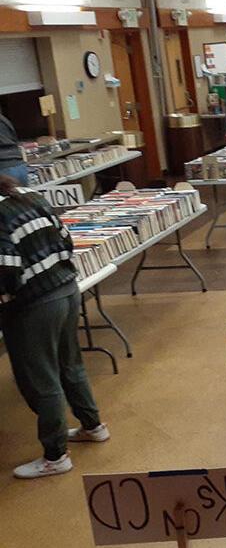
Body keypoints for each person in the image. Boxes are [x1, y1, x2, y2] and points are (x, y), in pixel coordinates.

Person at [1, 178, 109, 478]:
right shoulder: (29, 196)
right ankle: (93, 425)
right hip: (66, 288)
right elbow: (66, 240)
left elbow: (6, 269)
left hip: (33, 304)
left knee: (41, 379)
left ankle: (55, 456)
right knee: (70, 364)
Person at [0, 112, 30, 185]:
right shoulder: (3, 120)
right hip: (19, 166)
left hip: (3, 170)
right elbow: (15, 140)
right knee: (23, 195)